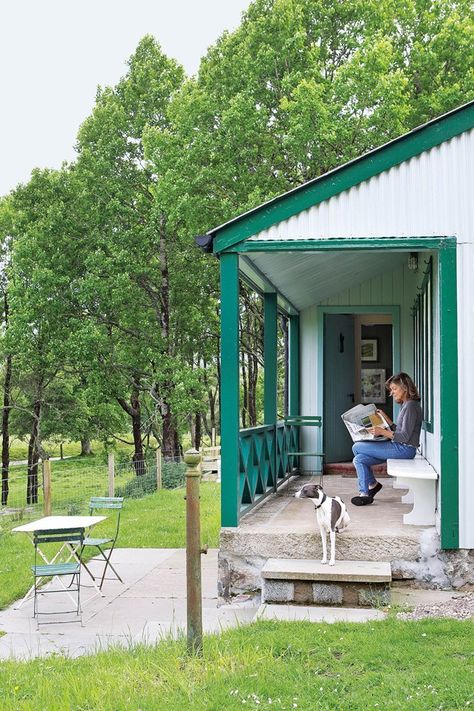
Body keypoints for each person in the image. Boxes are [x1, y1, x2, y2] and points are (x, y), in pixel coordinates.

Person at [351, 372, 422, 506]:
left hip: (404, 449)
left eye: (394, 389)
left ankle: (372, 484)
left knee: (357, 447)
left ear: (405, 387)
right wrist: (386, 419)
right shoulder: (406, 405)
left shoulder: (411, 406)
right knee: (358, 459)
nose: (392, 393)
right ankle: (366, 492)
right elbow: (399, 431)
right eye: (391, 390)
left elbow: (405, 437)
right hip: (399, 447)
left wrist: (382, 431)